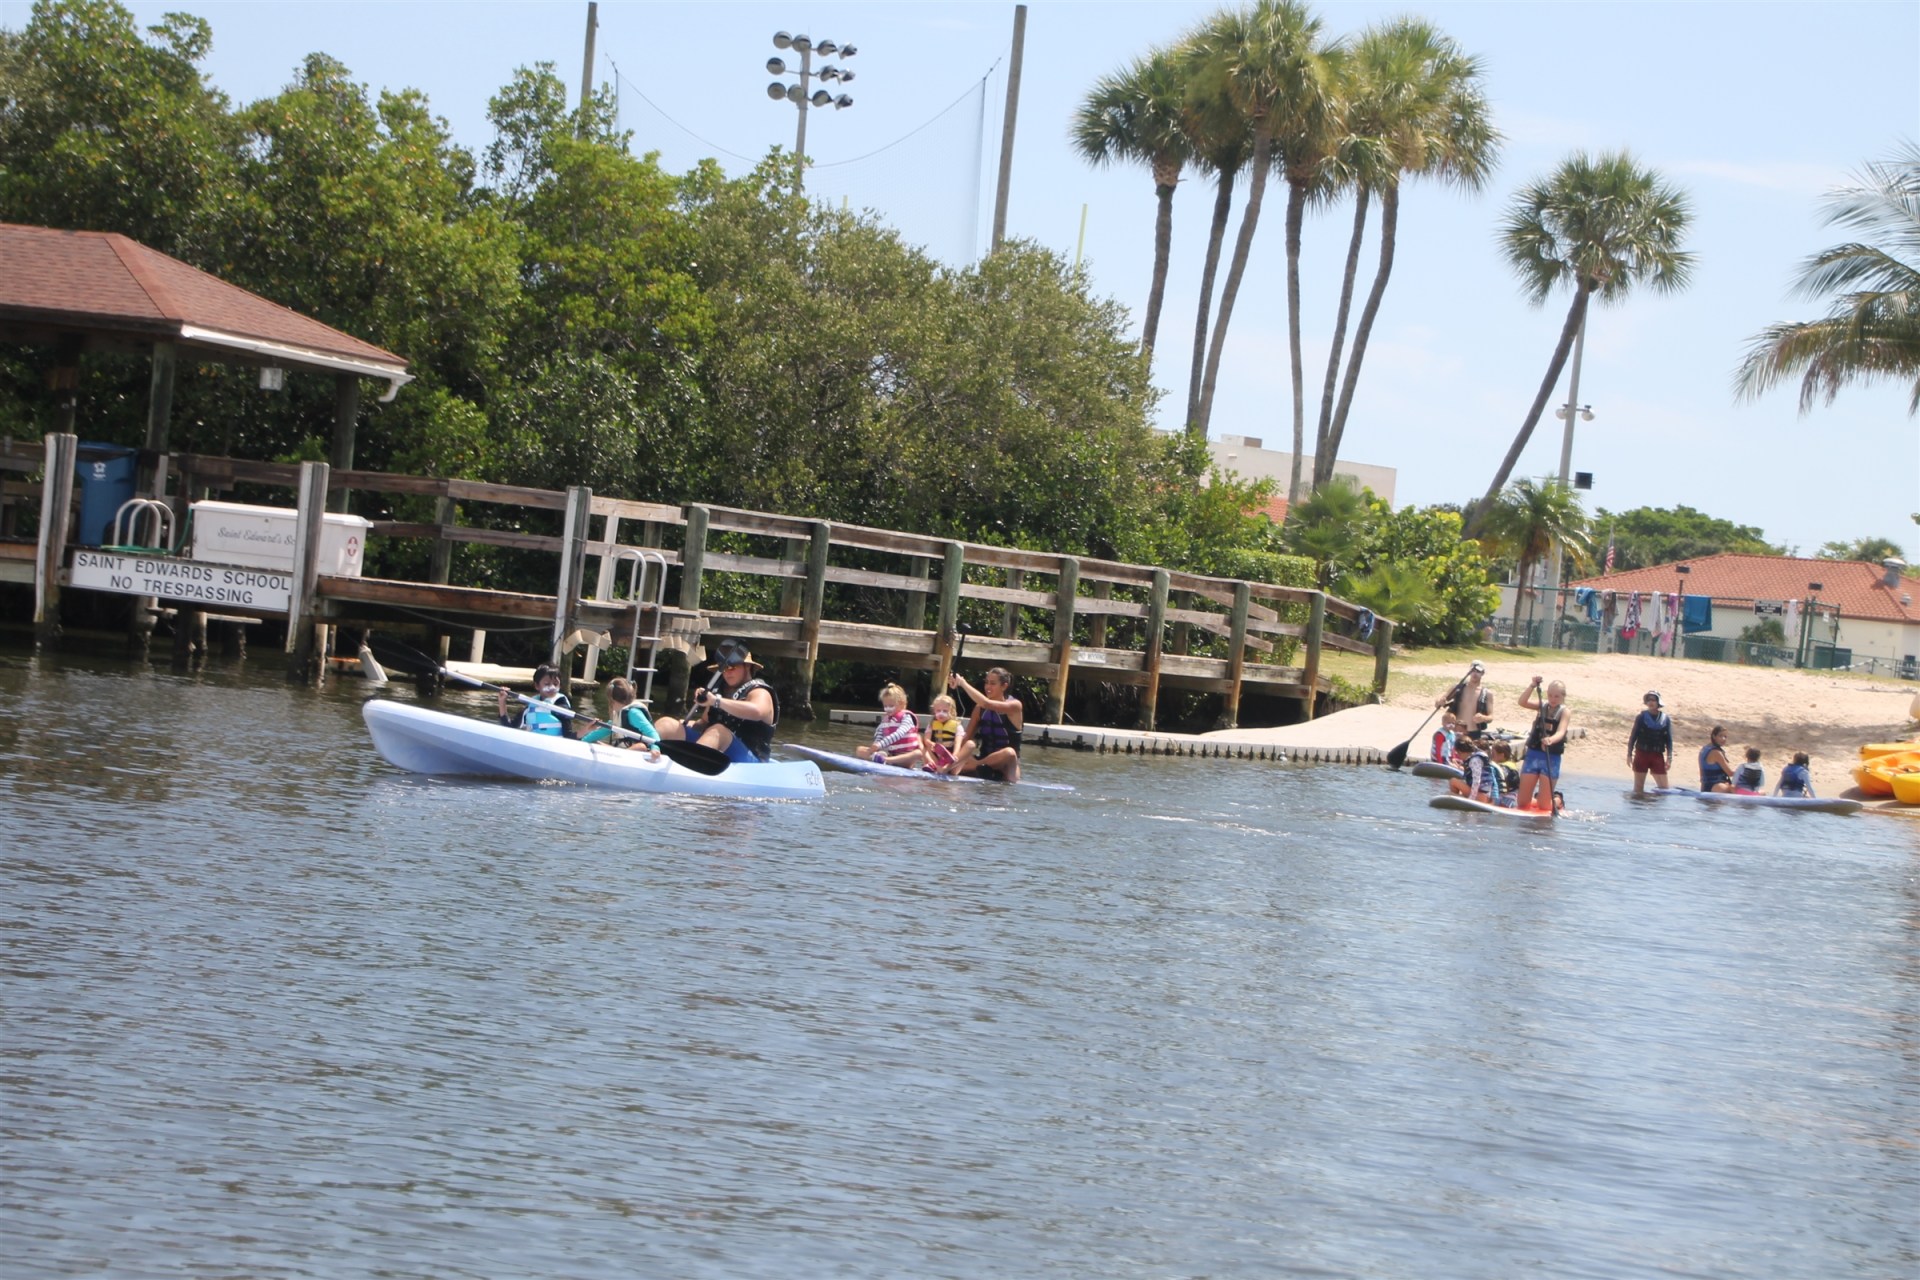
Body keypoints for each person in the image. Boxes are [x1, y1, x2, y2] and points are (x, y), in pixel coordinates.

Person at [653, 640, 778, 763]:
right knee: (667, 724)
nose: (727, 672)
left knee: (719, 731)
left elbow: (757, 711)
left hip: (751, 761)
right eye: (724, 668)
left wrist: (716, 701)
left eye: (732, 667)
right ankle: (645, 753)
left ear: (748, 666)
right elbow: (703, 723)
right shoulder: (720, 690)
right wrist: (680, 725)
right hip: (713, 749)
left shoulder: (760, 692)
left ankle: (690, 766)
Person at [947, 666, 1023, 783]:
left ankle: (968, 767)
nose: (988, 687)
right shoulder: (979, 709)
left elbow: (986, 703)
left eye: (992, 683)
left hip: (1005, 763)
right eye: (986, 683)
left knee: (1009, 753)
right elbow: (967, 736)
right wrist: (953, 753)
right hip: (985, 757)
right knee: (967, 746)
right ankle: (956, 766)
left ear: (1004, 686)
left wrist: (962, 683)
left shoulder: (1014, 706)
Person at [1515, 675, 1570, 812]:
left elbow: (1561, 731)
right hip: (1534, 754)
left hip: (1550, 758)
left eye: (1556, 696)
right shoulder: (1542, 706)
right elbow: (1522, 702)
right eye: (1550, 695)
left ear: (1563, 696)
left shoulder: (1565, 712)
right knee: (1522, 803)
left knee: (1544, 806)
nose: (1552, 699)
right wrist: (1532, 685)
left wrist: (1551, 739)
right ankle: (1536, 800)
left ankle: (1557, 801)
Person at [580, 676, 662, 759]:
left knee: (640, 747)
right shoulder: (617, 715)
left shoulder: (633, 713)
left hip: (640, 753)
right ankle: (616, 757)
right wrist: (582, 741)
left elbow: (652, 733)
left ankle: (617, 758)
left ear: (612, 701)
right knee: (594, 743)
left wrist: (655, 748)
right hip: (622, 751)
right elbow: (601, 732)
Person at [857, 682, 924, 769]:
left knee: (918, 753)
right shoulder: (886, 720)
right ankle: (879, 758)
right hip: (892, 754)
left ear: (902, 704)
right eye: (885, 706)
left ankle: (885, 760)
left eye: (891, 706)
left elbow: (899, 734)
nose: (887, 709)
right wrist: (875, 746)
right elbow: (879, 735)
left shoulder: (907, 718)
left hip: (905, 757)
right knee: (859, 750)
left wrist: (880, 744)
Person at [498, 663, 572, 736]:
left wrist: (584, 728)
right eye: (547, 684)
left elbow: (569, 735)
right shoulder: (530, 707)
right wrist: (502, 701)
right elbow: (509, 727)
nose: (552, 687)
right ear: (537, 686)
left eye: (555, 684)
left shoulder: (561, 706)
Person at [1626, 689, 1673, 795]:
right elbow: (1633, 737)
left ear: (1658, 702)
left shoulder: (1665, 719)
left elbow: (1669, 740)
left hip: (1657, 756)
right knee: (1638, 790)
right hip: (1641, 754)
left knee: (1665, 790)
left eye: (1653, 700)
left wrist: (1669, 758)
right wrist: (1629, 754)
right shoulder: (1641, 717)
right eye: (1648, 700)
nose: (1651, 702)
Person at [1436, 661, 1494, 737]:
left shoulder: (1487, 693)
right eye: (1473, 670)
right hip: (1456, 731)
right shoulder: (1458, 687)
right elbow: (1439, 701)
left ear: (1483, 673)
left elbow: (1491, 717)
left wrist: (1483, 718)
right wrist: (1440, 700)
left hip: (1474, 733)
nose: (1475, 673)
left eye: (1478, 671)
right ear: (1469, 672)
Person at [1451, 737, 1506, 805]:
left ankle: (1455, 804)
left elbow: (1477, 781)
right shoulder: (1478, 757)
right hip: (1486, 796)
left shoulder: (1474, 760)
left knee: (1453, 781)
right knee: (1462, 783)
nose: (1458, 756)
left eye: (1458, 753)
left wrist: (1471, 799)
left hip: (1482, 797)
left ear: (1460, 751)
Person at [922, 693, 965, 773]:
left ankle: (947, 768)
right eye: (938, 710)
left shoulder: (957, 726)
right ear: (934, 711)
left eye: (945, 711)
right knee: (919, 739)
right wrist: (931, 743)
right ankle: (932, 764)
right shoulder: (932, 724)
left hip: (950, 755)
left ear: (951, 711)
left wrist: (954, 755)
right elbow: (926, 739)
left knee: (969, 745)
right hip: (936, 753)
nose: (941, 713)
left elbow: (957, 744)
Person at [1698, 725, 1735, 793]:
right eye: (1720, 736)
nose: (1723, 739)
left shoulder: (1704, 749)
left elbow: (1701, 773)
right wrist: (1744, 772)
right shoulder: (1716, 752)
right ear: (1714, 736)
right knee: (1736, 789)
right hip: (1717, 786)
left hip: (1705, 787)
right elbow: (1730, 773)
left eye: (1725, 737)